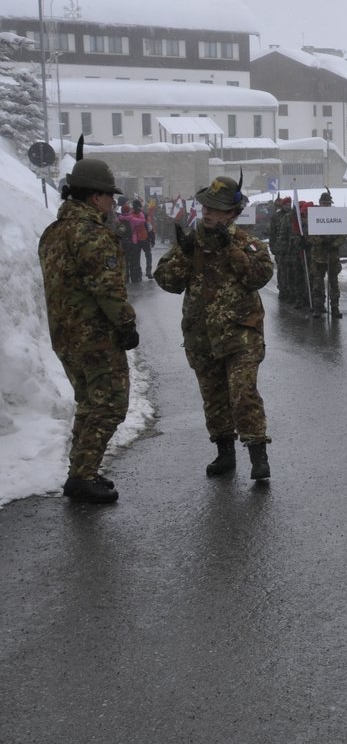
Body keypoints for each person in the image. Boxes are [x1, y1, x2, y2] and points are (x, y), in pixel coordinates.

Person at [153, 176, 277, 480]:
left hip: (241, 334)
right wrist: (183, 253)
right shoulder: (191, 243)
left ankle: (258, 453)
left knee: (242, 393)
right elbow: (167, 282)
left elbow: (258, 277)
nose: (208, 213)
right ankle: (225, 454)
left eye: (216, 209)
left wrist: (230, 250)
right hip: (201, 335)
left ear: (232, 214)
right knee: (214, 396)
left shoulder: (247, 244)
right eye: (206, 206)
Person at [38, 154, 140, 504]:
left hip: (66, 337)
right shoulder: (93, 234)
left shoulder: (53, 232)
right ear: (95, 197)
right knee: (110, 404)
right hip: (95, 337)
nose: (113, 202)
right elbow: (108, 290)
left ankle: (82, 470)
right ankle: (82, 476)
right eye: (110, 196)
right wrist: (126, 325)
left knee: (88, 404)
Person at [305, 190, 347, 318]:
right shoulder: (313, 216)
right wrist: (321, 241)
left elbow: (343, 235)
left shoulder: (337, 216)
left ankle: (335, 307)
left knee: (333, 283)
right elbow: (308, 235)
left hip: (332, 256)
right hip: (318, 257)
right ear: (319, 203)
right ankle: (318, 307)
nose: (326, 205)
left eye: (328, 203)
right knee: (317, 284)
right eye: (324, 203)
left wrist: (333, 244)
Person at [115, 198, 143, 285]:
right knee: (133, 261)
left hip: (122, 242)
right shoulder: (132, 219)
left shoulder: (118, 219)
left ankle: (126, 278)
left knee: (125, 260)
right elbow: (142, 220)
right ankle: (135, 278)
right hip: (132, 241)